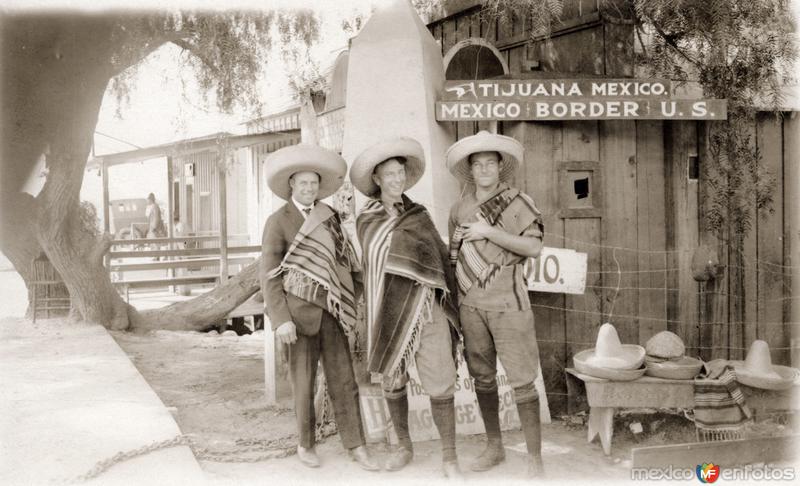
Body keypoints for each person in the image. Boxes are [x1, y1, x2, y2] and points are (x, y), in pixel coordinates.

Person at [260, 144, 378, 471]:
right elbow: (269, 276)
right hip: (297, 318)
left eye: (314, 184)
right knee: (303, 383)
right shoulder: (277, 221)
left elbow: (346, 263)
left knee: (345, 381)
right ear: (292, 186)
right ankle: (305, 443)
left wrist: (349, 298)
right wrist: (280, 319)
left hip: (333, 312)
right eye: (303, 184)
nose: (309, 188)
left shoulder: (330, 217)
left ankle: (357, 445)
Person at [349, 137, 462, 478]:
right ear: (378, 180)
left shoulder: (419, 215)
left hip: (428, 308)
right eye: (390, 174)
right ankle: (404, 447)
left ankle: (450, 457)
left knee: (441, 382)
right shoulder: (367, 219)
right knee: (393, 381)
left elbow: (439, 258)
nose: (397, 179)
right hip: (388, 309)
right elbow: (376, 260)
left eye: (401, 173)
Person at [446, 130, 546, 477]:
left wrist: (489, 232)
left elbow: (533, 248)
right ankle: (495, 446)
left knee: (522, 380)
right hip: (471, 304)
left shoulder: (519, 202)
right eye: (478, 164)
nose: (485, 169)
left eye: (491, 163)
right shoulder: (459, 208)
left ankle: (534, 458)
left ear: (500, 168)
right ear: (470, 171)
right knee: (482, 378)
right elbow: (453, 258)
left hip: (509, 301)